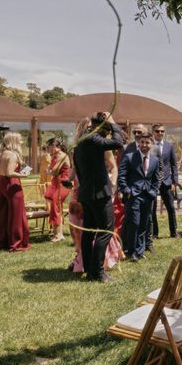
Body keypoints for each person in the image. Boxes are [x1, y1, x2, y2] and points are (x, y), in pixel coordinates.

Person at [73, 112, 124, 283]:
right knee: (105, 230)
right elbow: (118, 143)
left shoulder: (80, 141)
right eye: (107, 129)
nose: (108, 133)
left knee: (90, 231)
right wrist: (113, 122)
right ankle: (98, 271)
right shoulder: (93, 138)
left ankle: (89, 270)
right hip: (98, 193)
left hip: (87, 193)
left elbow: (78, 170)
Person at [119, 131, 160, 262]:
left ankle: (140, 251)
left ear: (151, 144)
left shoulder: (155, 160)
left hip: (148, 196)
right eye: (142, 142)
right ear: (138, 143)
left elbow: (156, 179)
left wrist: (154, 191)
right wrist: (126, 190)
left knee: (144, 224)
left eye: (147, 142)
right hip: (133, 195)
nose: (144, 145)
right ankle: (131, 251)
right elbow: (122, 176)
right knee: (134, 223)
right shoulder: (130, 157)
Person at [0, 132, 30, 251]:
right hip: (12, 183)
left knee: (2, 214)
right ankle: (16, 243)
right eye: (19, 141)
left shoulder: (2, 153)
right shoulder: (13, 155)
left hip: (1, 183)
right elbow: (10, 173)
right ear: (13, 141)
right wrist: (24, 175)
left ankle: (0, 243)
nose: (21, 143)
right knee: (16, 215)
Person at [151, 124, 180, 239]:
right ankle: (154, 233)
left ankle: (174, 232)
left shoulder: (169, 146)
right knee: (152, 208)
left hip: (167, 181)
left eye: (162, 131)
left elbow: (174, 165)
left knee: (171, 207)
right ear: (153, 132)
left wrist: (174, 182)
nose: (160, 133)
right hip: (152, 181)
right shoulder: (149, 145)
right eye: (157, 131)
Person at [44, 137, 71, 242]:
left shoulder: (61, 156)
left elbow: (54, 172)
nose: (48, 149)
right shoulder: (54, 156)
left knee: (56, 205)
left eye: (49, 146)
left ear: (56, 146)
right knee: (54, 206)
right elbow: (52, 170)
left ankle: (59, 235)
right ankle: (57, 233)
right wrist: (50, 171)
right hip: (56, 183)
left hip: (63, 183)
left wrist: (49, 171)